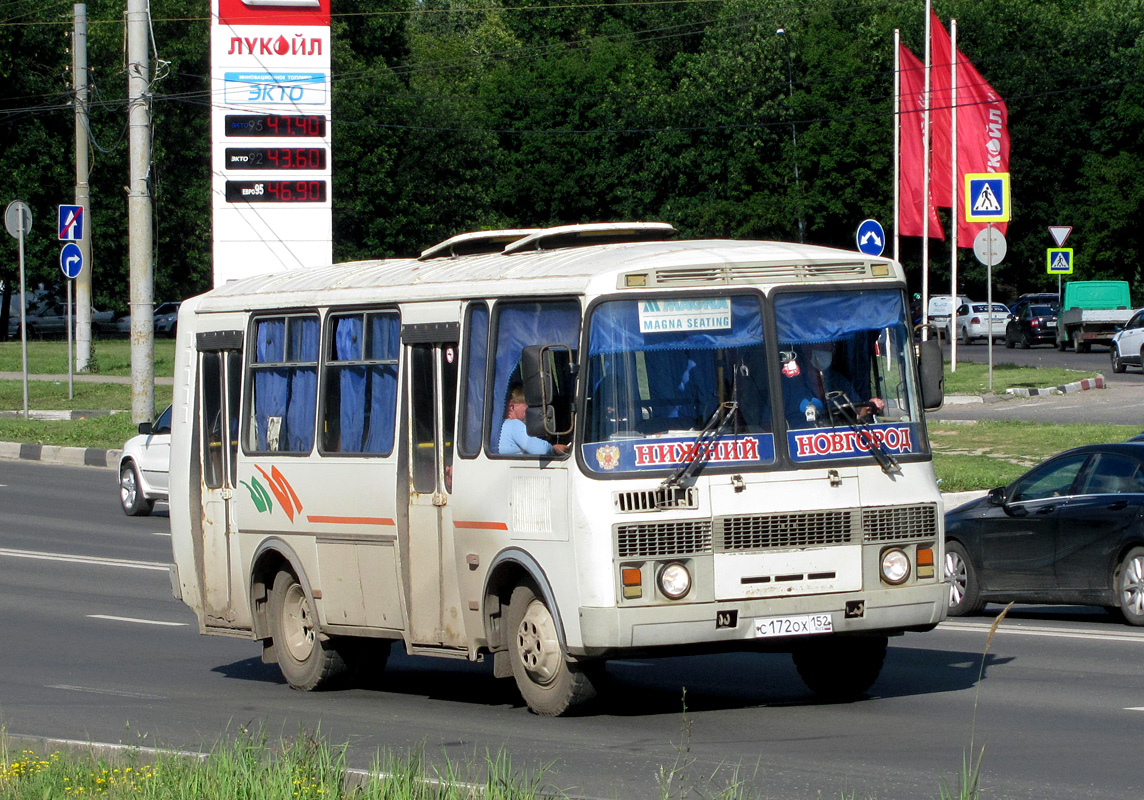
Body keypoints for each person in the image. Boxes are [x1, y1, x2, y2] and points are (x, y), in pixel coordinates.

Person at [782, 341, 883, 428]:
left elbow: (859, 410)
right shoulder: (791, 384)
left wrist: (869, 405)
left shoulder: (838, 380)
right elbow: (768, 424)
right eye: (821, 346)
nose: (826, 350)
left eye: (829, 346)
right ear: (806, 348)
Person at [498, 386, 569, 455]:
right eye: (527, 405)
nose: (529, 410)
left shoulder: (501, 426)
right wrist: (554, 449)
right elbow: (542, 450)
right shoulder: (514, 425)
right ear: (511, 406)